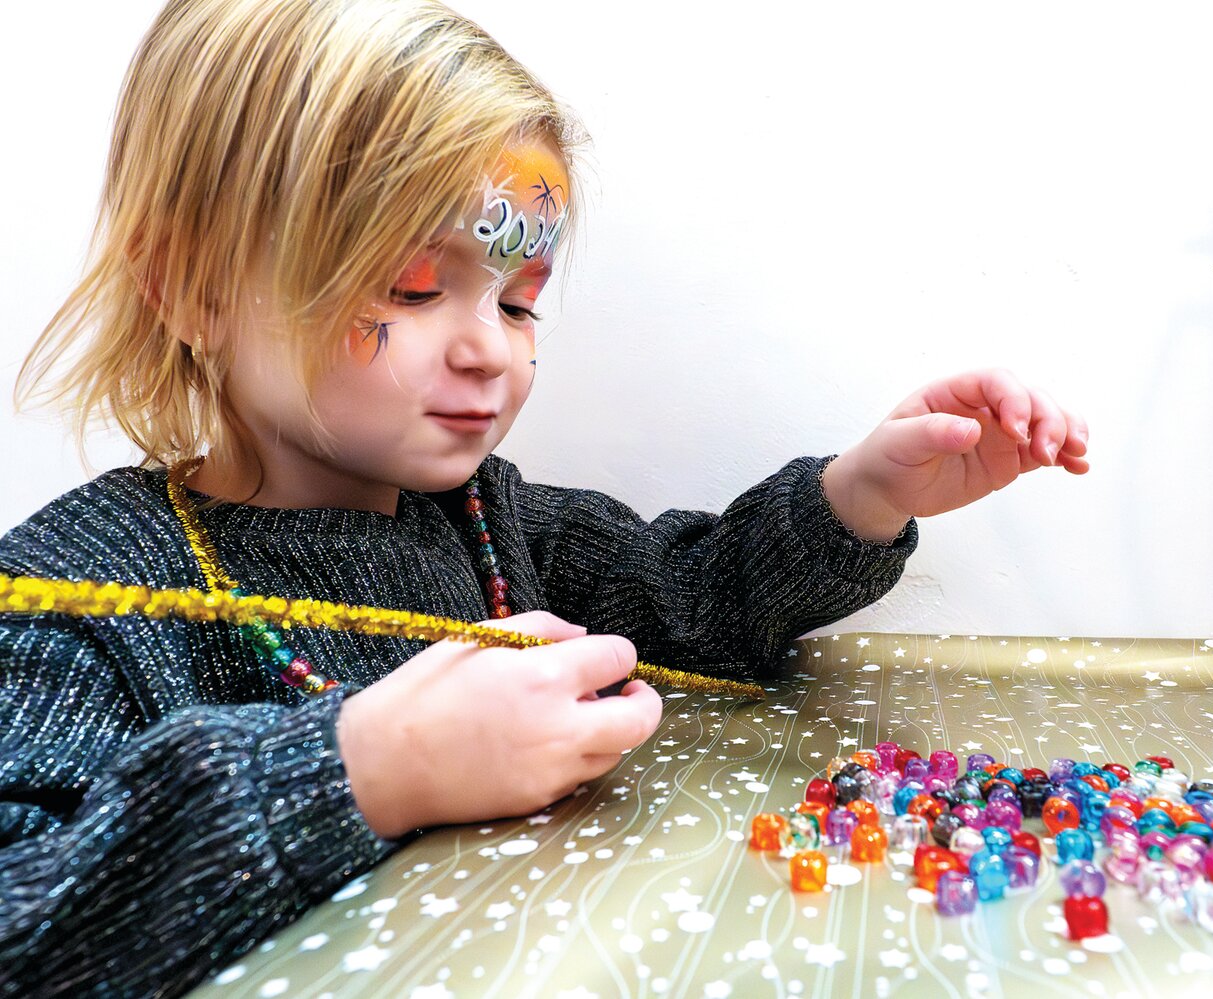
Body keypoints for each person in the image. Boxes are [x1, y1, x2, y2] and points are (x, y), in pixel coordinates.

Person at [0, 0, 1089, 994]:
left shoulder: (492, 525)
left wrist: (861, 495)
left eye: (520, 305)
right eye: (412, 288)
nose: (490, 353)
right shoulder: (74, 597)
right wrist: (359, 774)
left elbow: (695, 604)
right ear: (190, 286)